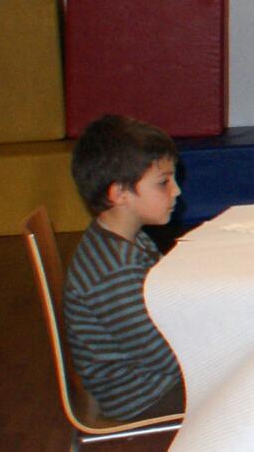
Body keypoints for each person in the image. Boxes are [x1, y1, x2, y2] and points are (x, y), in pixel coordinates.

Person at [61, 115, 187, 423]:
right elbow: (167, 358)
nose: (176, 191)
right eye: (163, 182)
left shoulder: (128, 240)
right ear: (119, 194)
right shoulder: (114, 271)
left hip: (157, 381)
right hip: (146, 397)